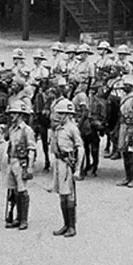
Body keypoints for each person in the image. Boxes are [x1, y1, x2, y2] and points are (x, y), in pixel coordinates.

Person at [49, 97, 83, 237]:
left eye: (62, 114)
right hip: (59, 162)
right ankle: (65, 224)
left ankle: (72, 226)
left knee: (69, 196)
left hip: (68, 162)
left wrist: (78, 169)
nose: (59, 116)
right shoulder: (58, 128)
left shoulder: (72, 129)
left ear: (69, 114)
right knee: (62, 195)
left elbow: (80, 148)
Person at [3, 99, 37, 229]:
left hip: (21, 162)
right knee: (14, 190)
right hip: (11, 160)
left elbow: (31, 149)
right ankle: (17, 217)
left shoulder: (26, 130)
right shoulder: (12, 129)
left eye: (14, 113)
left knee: (22, 190)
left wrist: (29, 167)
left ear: (20, 114)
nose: (11, 115)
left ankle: (24, 219)